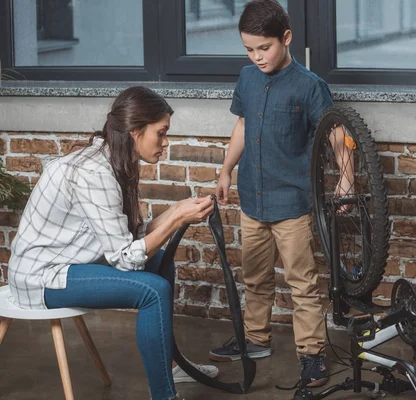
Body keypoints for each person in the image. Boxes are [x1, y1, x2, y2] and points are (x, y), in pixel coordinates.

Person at [8, 86, 218, 400]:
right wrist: (175, 220)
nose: (165, 142)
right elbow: (124, 258)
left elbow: (129, 236)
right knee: (152, 289)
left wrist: (176, 211)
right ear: (135, 131)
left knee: (160, 261)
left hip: (70, 263)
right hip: (41, 276)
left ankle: (168, 364)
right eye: (160, 133)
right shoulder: (95, 172)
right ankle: (165, 395)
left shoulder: (116, 159)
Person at [208, 0, 352, 388]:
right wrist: (225, 170)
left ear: (285, 38)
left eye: (264, 48)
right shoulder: (247, 78)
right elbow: (241, 126)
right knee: (254, 278)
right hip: (252, 201)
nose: (257, 56)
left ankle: (312, 356)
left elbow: (338, 134)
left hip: (292, 205)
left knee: (302, 285)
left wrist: (347, 178)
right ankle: (255, 340)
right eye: (249, 49)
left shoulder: (310, 85)